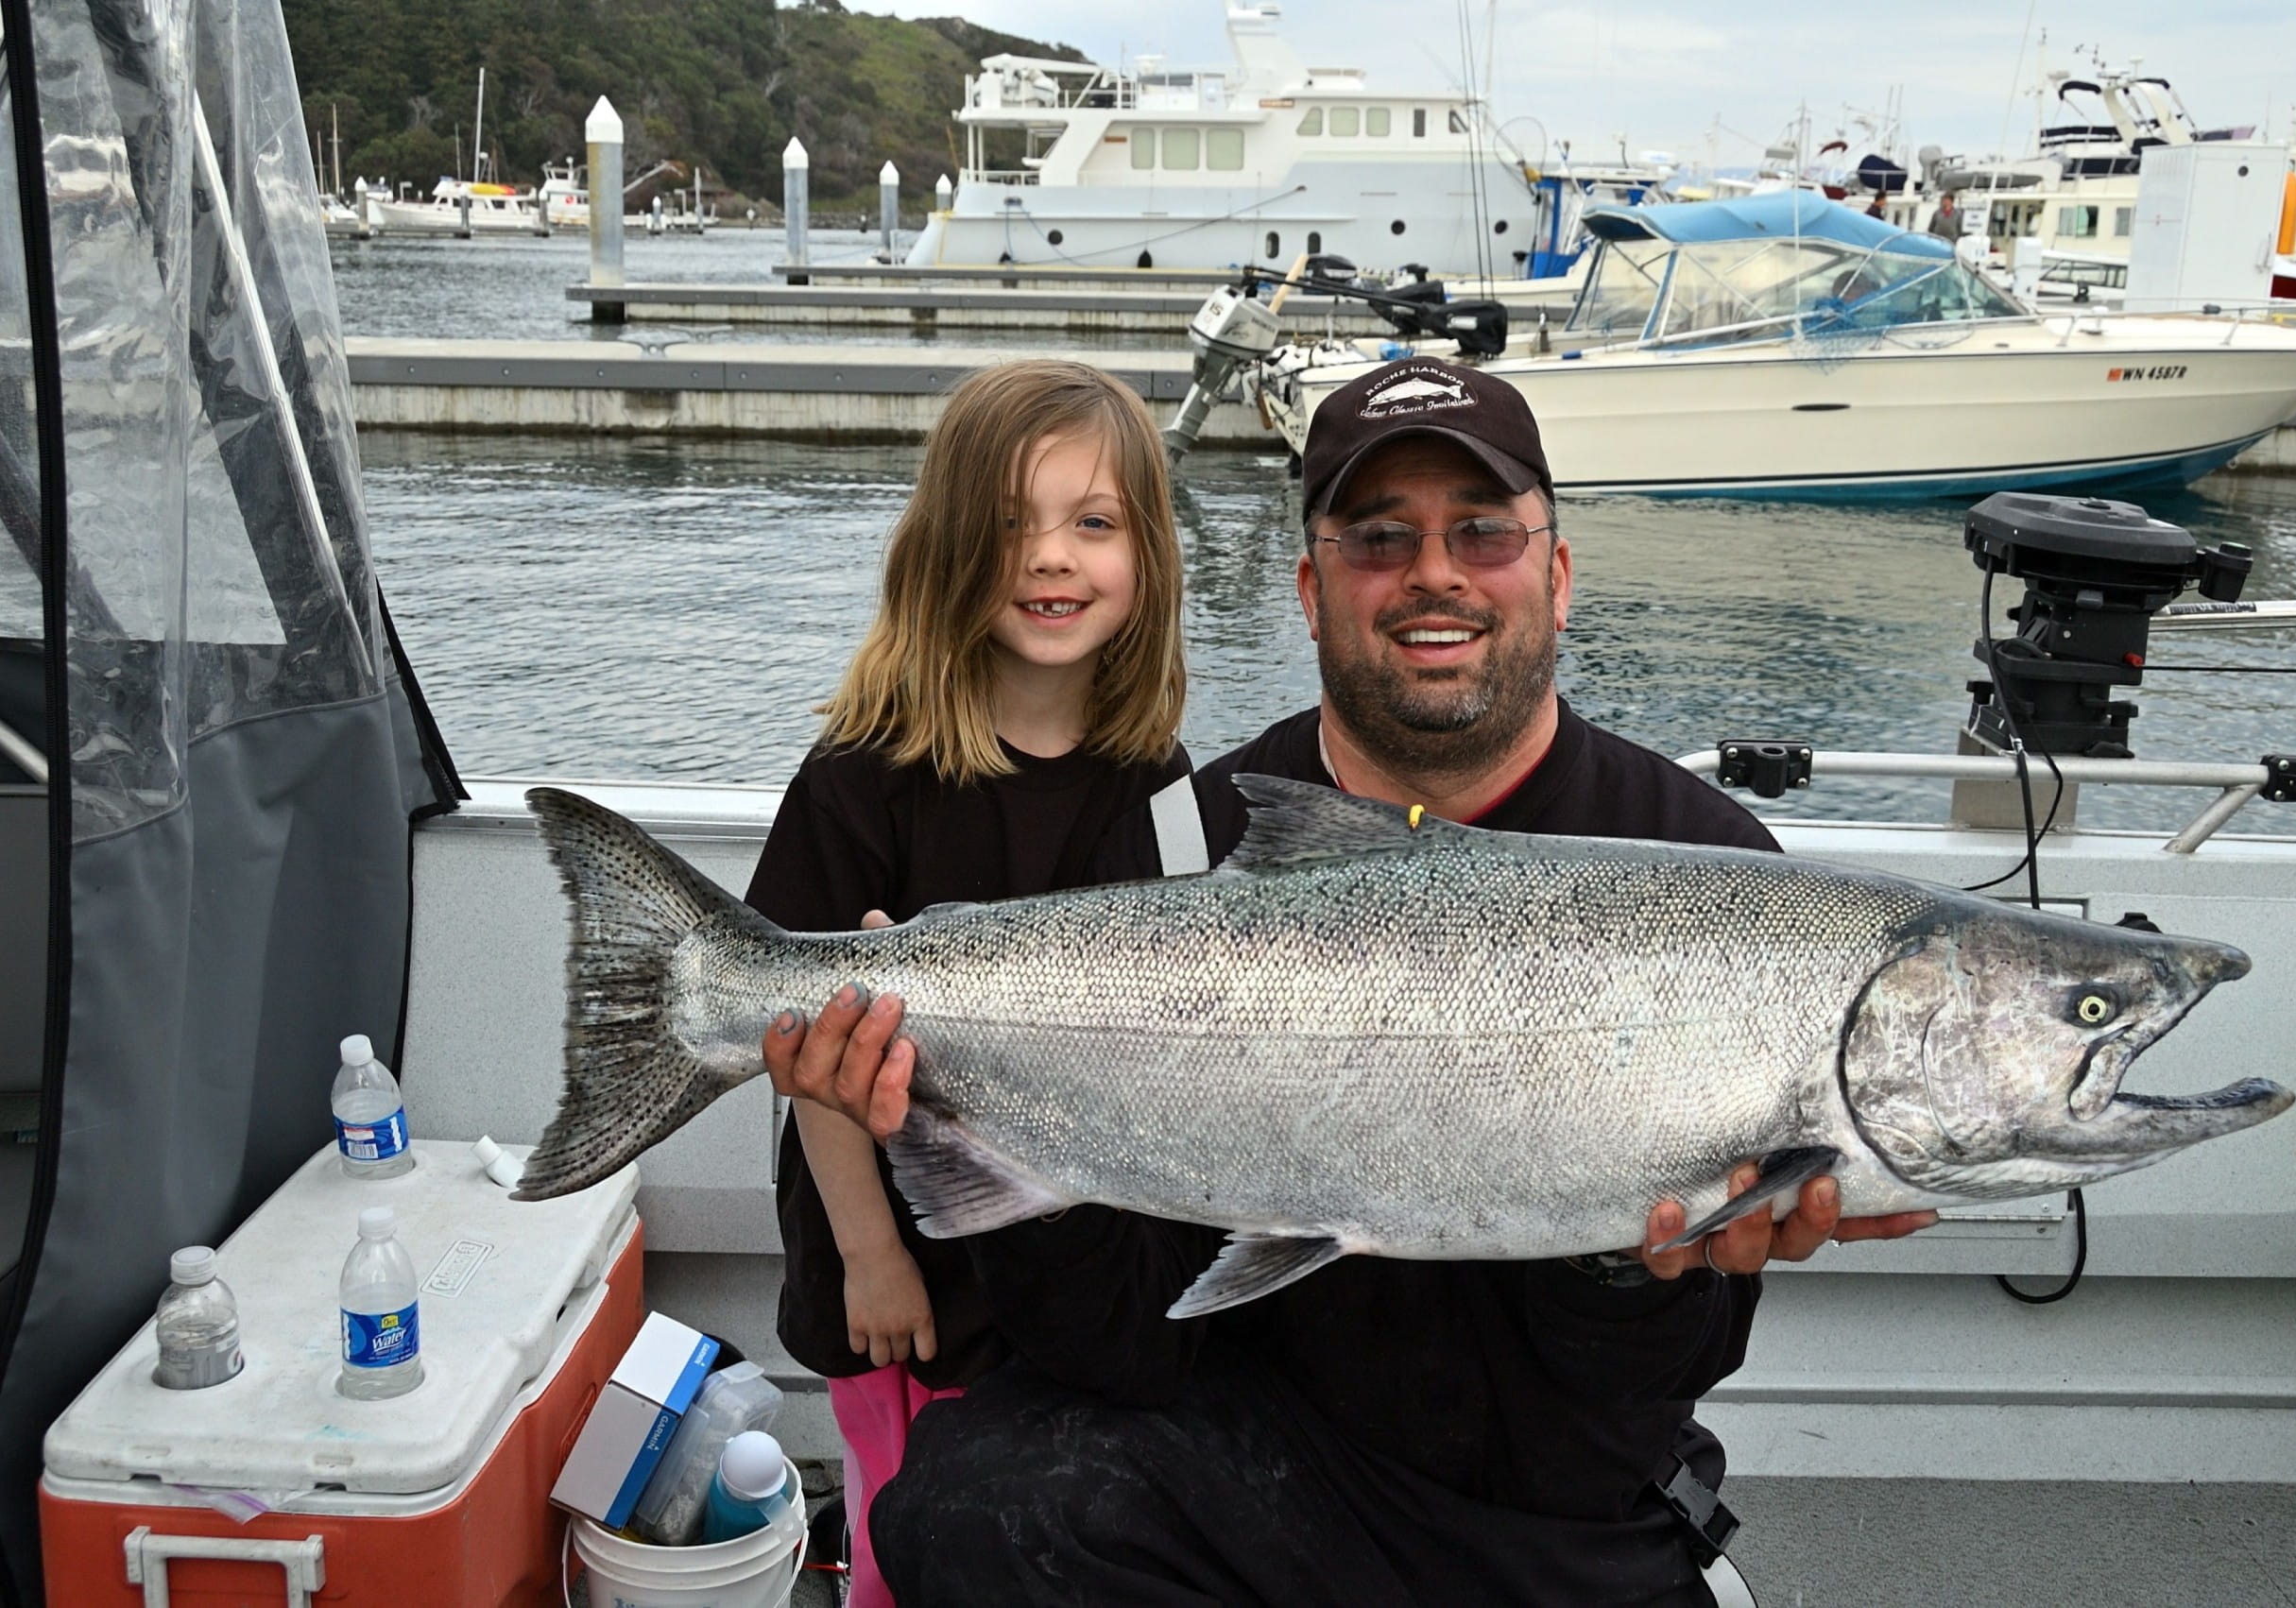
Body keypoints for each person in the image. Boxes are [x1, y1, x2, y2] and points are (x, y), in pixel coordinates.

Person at [767, 359, 1935, 1606]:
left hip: (1565, 1497)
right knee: (965, 1503)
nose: (1435, 571)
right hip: (1269, 1462)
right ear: (1314, 588)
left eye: (1482, 532)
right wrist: (1005, 1143)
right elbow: (1121, 1335)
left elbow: (1652, 1378)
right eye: (1382, 537)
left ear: (1558, 571)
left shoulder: (1713, 871)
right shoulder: (1181, 839)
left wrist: (1634, 1261)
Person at [742, 359, 1193, 1608]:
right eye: (1008, 525)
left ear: (1146, 552)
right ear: (944, 547)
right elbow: (810, 1044)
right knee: (902, 1535)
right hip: (891, 1248)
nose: (1051, 560)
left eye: (1092, 523)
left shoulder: (1160, 782)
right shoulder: (861, 779)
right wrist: (872, 1251)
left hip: (1071, 1247)